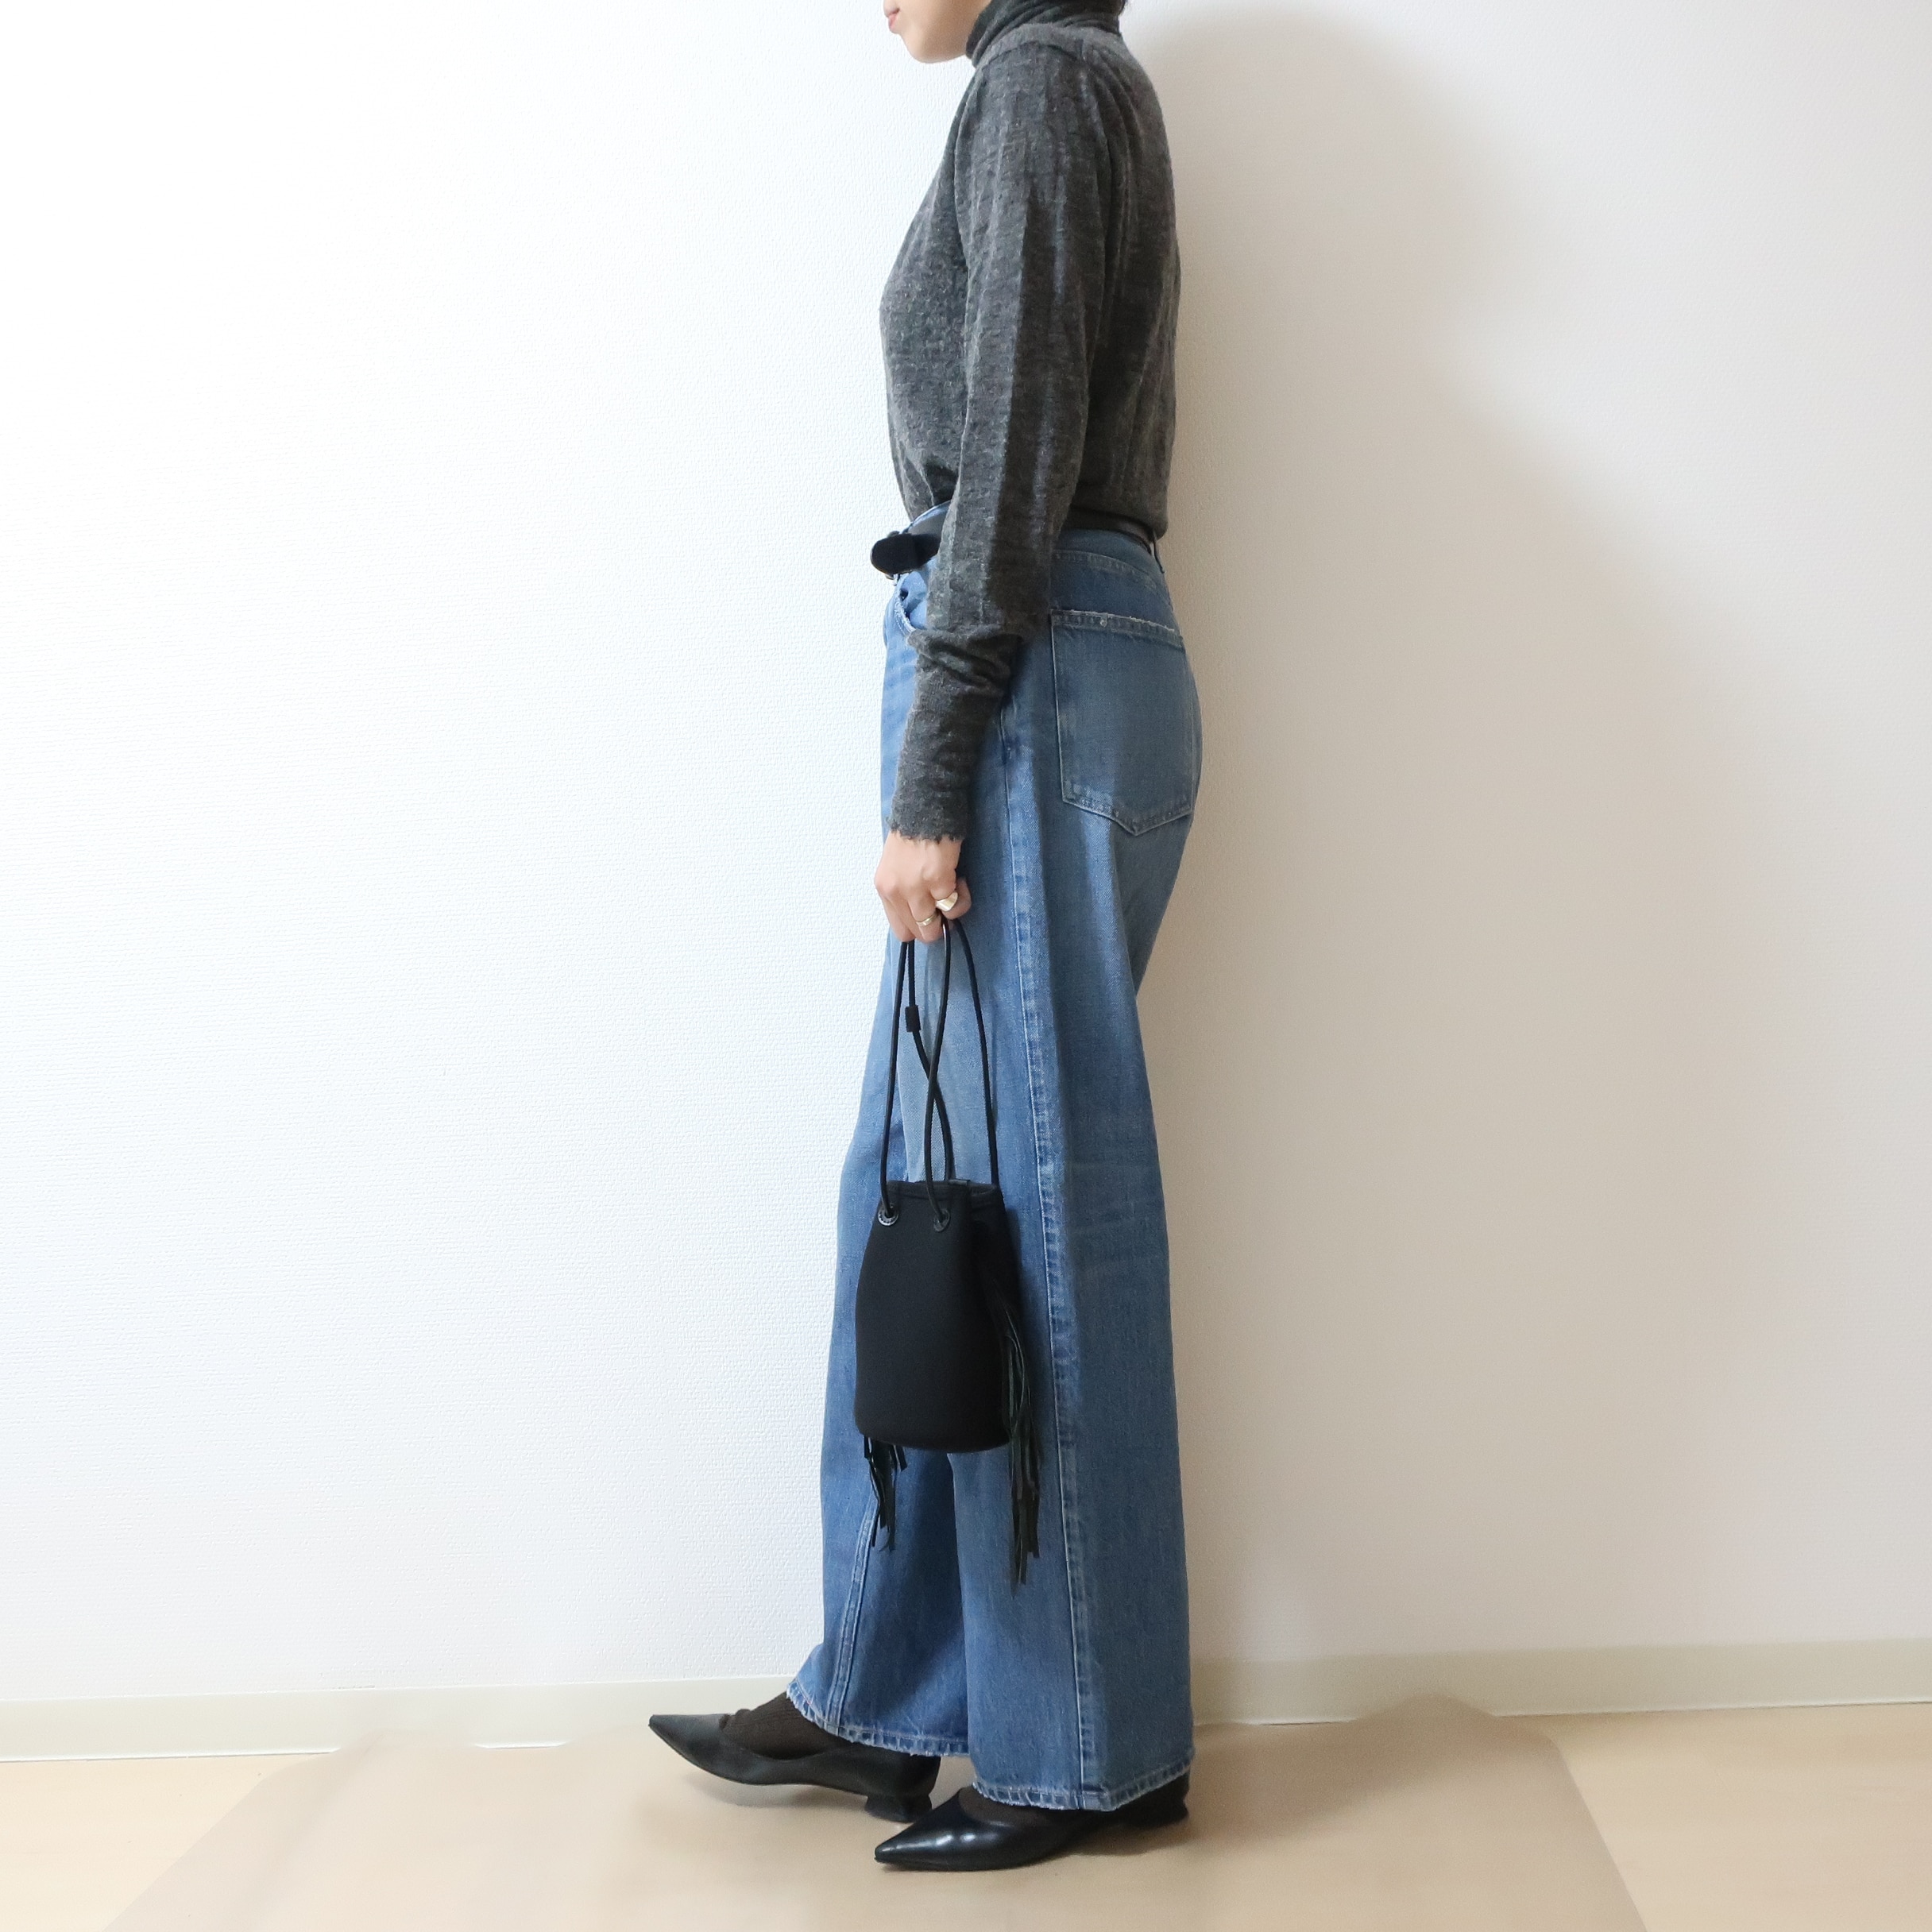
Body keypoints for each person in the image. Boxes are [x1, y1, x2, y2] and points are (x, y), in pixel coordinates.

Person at [651, 0, 1200, 1872]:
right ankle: (885, 1687)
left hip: (1026, 670)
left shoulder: (1045, 88)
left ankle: (1082, 1752)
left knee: (1035, 1220)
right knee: (919, 1198)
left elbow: (1018, 443)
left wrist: (936, 757)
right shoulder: (1039, 91)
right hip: (1032, 663)